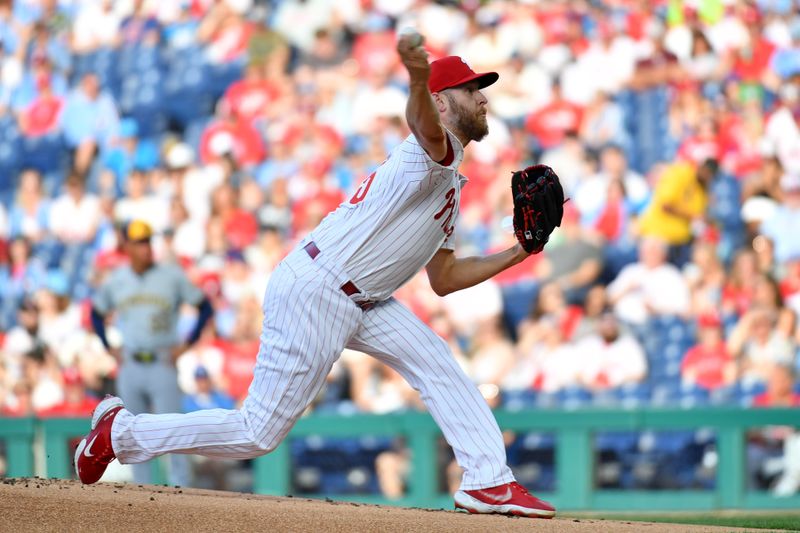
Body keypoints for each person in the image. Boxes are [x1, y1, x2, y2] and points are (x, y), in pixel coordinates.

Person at [75, 37, 557, 519]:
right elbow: (420, 121)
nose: (483, 97)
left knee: (437, 362)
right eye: (472, 89)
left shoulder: (447, 178)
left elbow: (445, 278)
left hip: (366, 299)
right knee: (258, 432)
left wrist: (519, 252)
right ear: (440, 100)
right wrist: (415, 77)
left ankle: (489, 482)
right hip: (319, 289)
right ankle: (121, 433)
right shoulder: (431, 149)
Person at [88, 219, 214, 488]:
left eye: (147, 241)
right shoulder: (117, 280)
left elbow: (205, 307)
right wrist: (109, 348)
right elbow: (96, 314)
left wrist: (186, 344)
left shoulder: (171, 275)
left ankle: (183, 490)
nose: (145, 247)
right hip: (131, 362)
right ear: (127, 247)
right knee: (132, 433)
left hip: (162, 361)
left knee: (175, 431)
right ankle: (141, 493)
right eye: (139, 242)